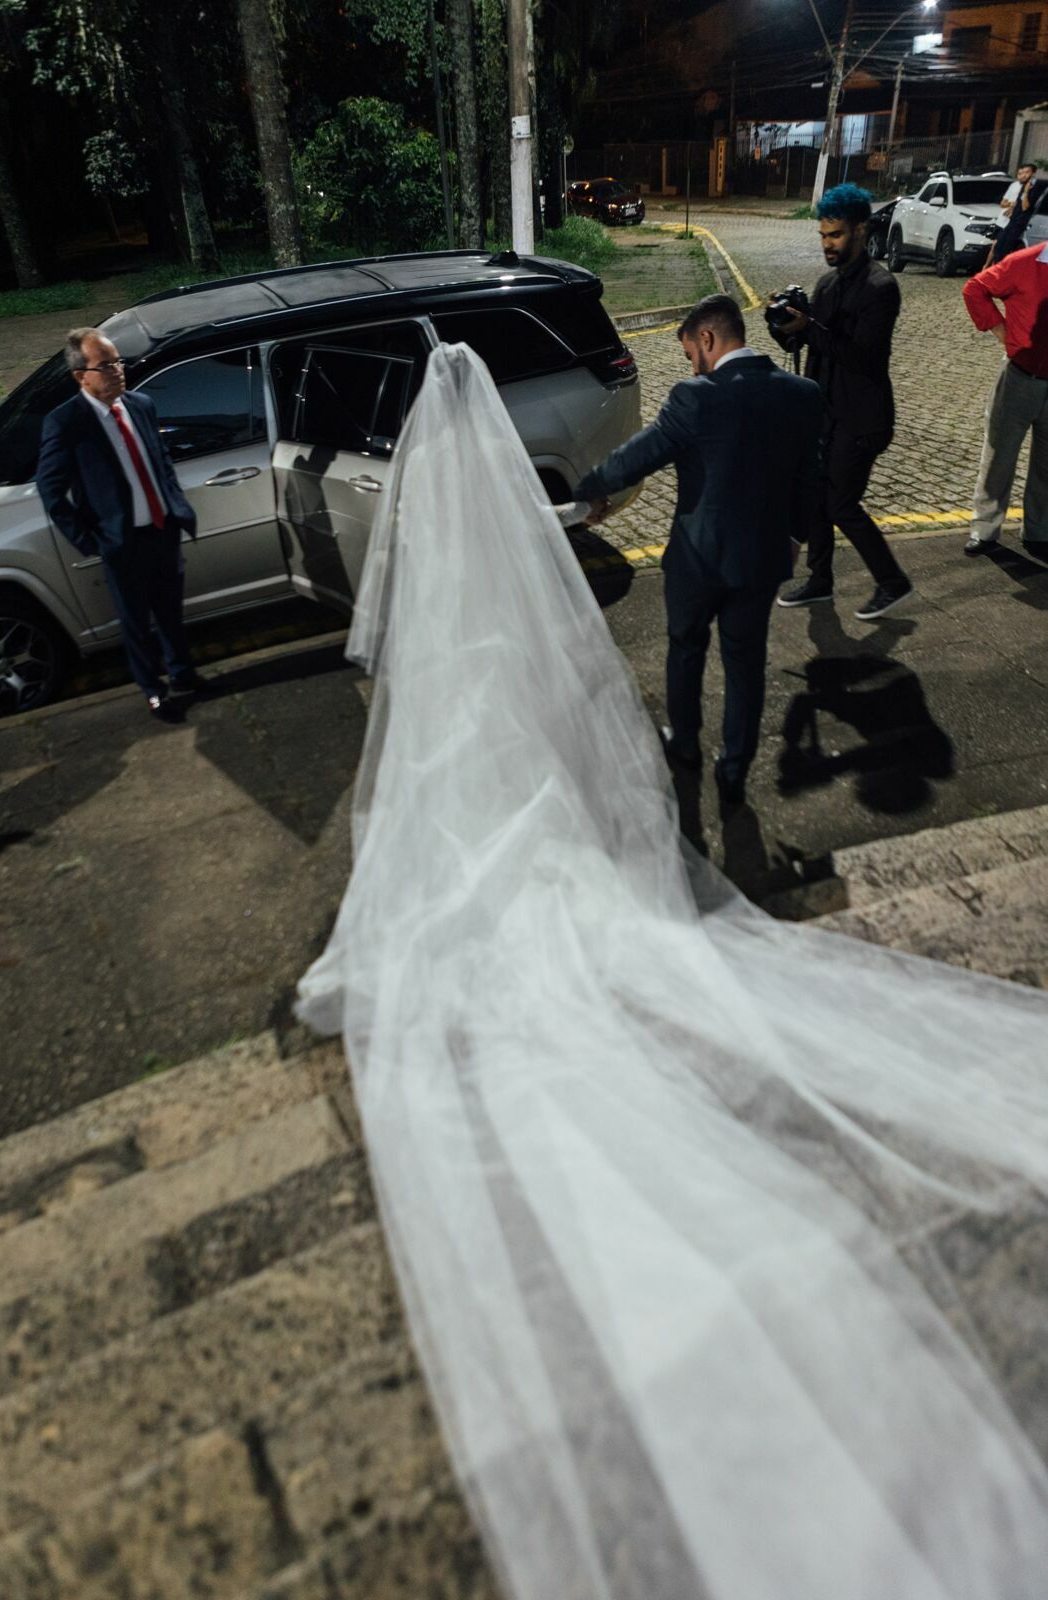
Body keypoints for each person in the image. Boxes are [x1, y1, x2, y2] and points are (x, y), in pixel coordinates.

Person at [296, 341, 1048, 1600]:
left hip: (652, 589)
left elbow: (604, 492)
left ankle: (674, 762)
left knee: (656, 683)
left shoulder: (595, 439)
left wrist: (562, 501)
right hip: (752, 564)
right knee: (729, 676)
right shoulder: (801, 393)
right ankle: (723, 768)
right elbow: (799, 492)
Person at [570, 293, 822, 806]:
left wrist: (588, 491)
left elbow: (637, 456)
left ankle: (685, 745)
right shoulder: (803, 394)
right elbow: (810, 481)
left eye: (690, 354)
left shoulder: (696, 397)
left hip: (697, 562)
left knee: (686, 650)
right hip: (761, 561)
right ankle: (734, 770)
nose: (693, 364)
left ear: (706, 338)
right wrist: (795, 537)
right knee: (745, 665)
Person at [36, 327, 207, 720]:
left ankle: (183, 675)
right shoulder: (66, 423)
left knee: (170, 613)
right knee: (136, 623)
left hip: (162, 528)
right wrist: (93, 540)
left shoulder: (141, 405)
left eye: (119, 362)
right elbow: (51, 490)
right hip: (121, 541)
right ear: (82, 376)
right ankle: (153, 690)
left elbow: (160, 461)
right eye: (107, 365)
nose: (119, 370)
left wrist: (175, 504)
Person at [768, 182, 913, 622]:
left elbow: (862, 356)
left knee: (841, 505)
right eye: (823, 236)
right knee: (816, 499)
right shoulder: (827, 283)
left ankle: (893, 582)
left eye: (835, 235)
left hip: (863, 417)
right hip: (825, 412)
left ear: (860, 230)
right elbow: (809, 346)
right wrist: (784, 327)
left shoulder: (881, 287)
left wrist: (808, 328)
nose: (827, 244)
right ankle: (819, 581)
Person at [961, 241, 1048, 555]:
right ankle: (985, 530)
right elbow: (975, 289)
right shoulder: (1025, 262)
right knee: (999, 456)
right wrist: (1001, 331)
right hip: (1020, 376)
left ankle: (1039, 533)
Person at [990, 162, 1046, 264]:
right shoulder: (1023, 186)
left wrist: (1026, 192)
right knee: (998, 247)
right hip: (1012, 221)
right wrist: (1012, 208)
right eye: (1022, 172)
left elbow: (1025, 207)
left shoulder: (1033, 187)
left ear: (1033, 173)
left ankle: (1002, 273)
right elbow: (1016, 204)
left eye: (1027, 172)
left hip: (1019, 223)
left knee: (1006, 249)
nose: (1024, 175)